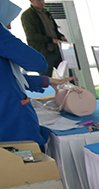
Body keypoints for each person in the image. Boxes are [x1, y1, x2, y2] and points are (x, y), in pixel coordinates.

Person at [1, 2, 60, 150]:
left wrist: (46, 81)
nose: (9, 27)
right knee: (31, 168)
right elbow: (37, 63)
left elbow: (7, 78)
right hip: (11, 126)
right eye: (7, 21)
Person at [20, 0, 65, 75]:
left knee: (65, 74)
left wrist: (61, 36)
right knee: (46, 78)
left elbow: (54, 30)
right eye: (39, 0)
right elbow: (31, 36)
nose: (42, 2)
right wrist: (51, 40)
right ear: (31, 1)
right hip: (43, 52)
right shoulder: (27, 15)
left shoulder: (47, 13)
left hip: (56, 49)